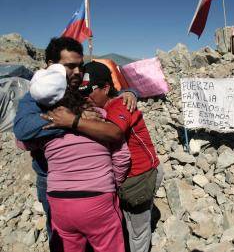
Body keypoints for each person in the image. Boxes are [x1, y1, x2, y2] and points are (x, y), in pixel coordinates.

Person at [13, 37, 138, 239]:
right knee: (61, 238)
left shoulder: (76, 88)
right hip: (53, 181)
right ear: (51, 66)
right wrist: (74, 119)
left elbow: (105, 93)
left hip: (95, 183)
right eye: (70, 66)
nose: (78, 72)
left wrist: (129, 92)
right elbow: (22, 130)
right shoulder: (37, 96)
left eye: (80, 66)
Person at [42, 61, 164, 252]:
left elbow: (114, 133)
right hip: (120, 179)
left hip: (139, 176)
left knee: (138, 230)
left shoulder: (120, 104)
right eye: (80, 92)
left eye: (89, 91)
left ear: (106, 88)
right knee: (122, 223)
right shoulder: (98, 109)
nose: (84, 97)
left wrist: (72, 121)